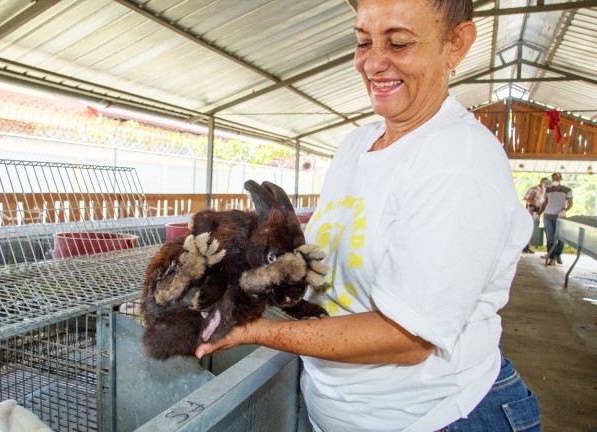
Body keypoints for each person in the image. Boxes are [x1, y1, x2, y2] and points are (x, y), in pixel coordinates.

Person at [194, 0, 541, 430]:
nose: (374, 62)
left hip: (437, 417)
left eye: (399, 42)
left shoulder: (458, 160)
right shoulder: (357, 144)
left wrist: (251, 328)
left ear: (456, 44)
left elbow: (405, 338)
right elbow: (321, 267)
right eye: (362, 42)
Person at [539, 172, 573, 265]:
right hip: (548, 216)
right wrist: (539, 213)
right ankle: (551, 257)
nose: (555, 180)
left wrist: (565, 210)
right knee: (550, 238)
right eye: (553, 178)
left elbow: (570, 203)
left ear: (560, 179)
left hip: (560, 217)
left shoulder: (567, 190)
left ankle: (558, 254)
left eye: (557, 178)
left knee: (560, 237)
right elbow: (544, 203)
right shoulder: (548, 190)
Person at [522, 177, 549, 253]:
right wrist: (535, 203)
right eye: (544, 182)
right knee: (528, 228)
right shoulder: (534, 189)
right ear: (540, 182)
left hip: (538, 211)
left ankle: (528, 246)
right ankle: (524, 246)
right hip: (531, 210)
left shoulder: (546, 191)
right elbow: (527, 198)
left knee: (534, 229)